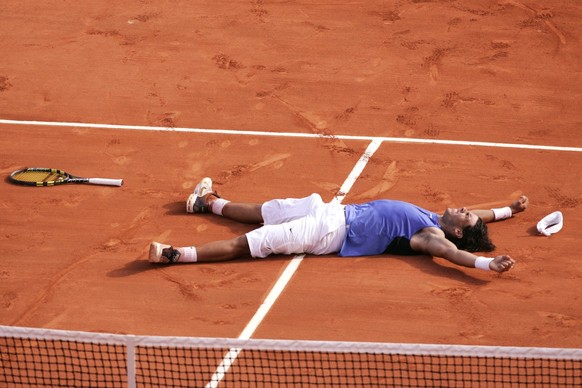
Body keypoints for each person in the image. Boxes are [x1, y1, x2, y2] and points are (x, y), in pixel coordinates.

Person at [149, 177, 529, 273]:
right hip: (328, 210)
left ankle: (175, 255)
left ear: (458, 231)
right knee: (266, 210)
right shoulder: (434, 216)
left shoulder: (431, 236)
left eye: (465, 215)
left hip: (326, 233)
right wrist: (509, 210)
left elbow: (452, 254)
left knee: (249, 244)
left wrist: (484, 264)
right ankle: (208, 202)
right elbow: (483, 212)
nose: (464, 208)